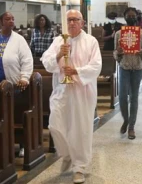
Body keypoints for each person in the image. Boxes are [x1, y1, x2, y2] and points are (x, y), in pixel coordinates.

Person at [41, 10, 102, 183]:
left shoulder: (91, 41)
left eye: (76, 20)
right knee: (55, 124)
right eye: (69, 20)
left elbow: (96, 66)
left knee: (80, 130)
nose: (72, 23)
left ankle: (79, 168)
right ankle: (67, 153)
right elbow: (46, 62)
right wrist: (59, 54)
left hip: (82, 92)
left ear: (82, 23)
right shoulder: (59, 41)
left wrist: (76, 71)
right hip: (61, 90)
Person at [113, 7, 142, 140]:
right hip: (124, 67)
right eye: (128, 16)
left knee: (134, 97)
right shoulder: (119, 34)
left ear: (136, 17)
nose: (131, 18)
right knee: (123, 96)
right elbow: (116, 55)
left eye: (133, 16)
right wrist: (118, 52)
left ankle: (131, 127)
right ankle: (125, 119)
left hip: (138, 68)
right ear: (125, 18)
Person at [0, 12, 33, 157]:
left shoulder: (19, 40)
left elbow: (27, 60)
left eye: (13, 19)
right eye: (7, 19)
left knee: (16, 115)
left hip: (14, 85)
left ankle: (22, 145)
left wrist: (25, 77)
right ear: (1, 22)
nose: (11, 21)